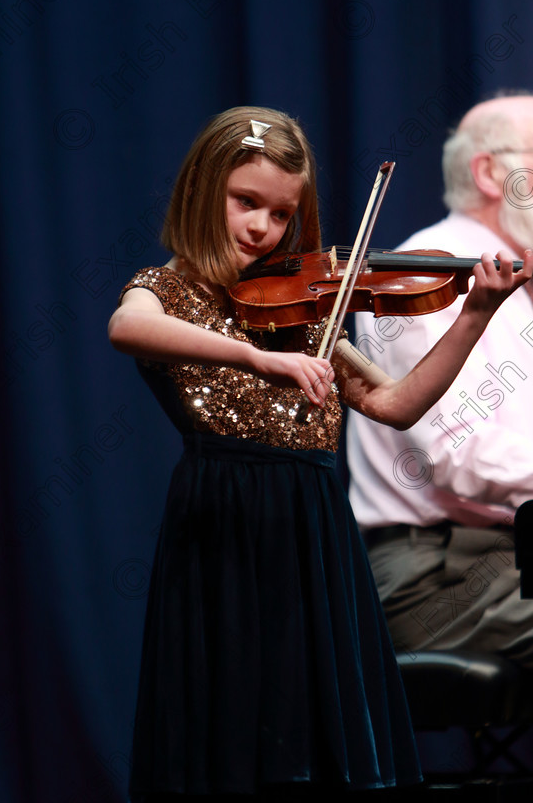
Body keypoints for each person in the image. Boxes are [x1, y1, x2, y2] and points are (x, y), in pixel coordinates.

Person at [108, 105, 532, 802]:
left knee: (318, 743)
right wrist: (252, 357)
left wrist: (476, 313)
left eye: (280, 215)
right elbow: (127, 328)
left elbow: (397, 404)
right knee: (232, 729)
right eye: (246, 203)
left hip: (314, 538)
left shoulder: (300, 314)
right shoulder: (170, 292)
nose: (262, 229)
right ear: (201, 188)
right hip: (224, 531)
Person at [347, 93, 533, 669]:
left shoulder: (517, 278)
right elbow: (459, 456)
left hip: (505, 555)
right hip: (429, 572)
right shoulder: (426, 278)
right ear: (489, 172)